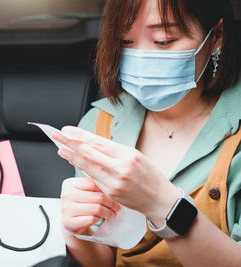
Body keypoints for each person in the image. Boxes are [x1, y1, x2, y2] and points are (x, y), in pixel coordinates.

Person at [51, 0, 241, 266]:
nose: (141, 56)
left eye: (163, 41)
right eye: (126, 41)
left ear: (216, 37)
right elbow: (105, 260)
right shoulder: (100, 122)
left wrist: (164, 206)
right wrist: (75, 232)